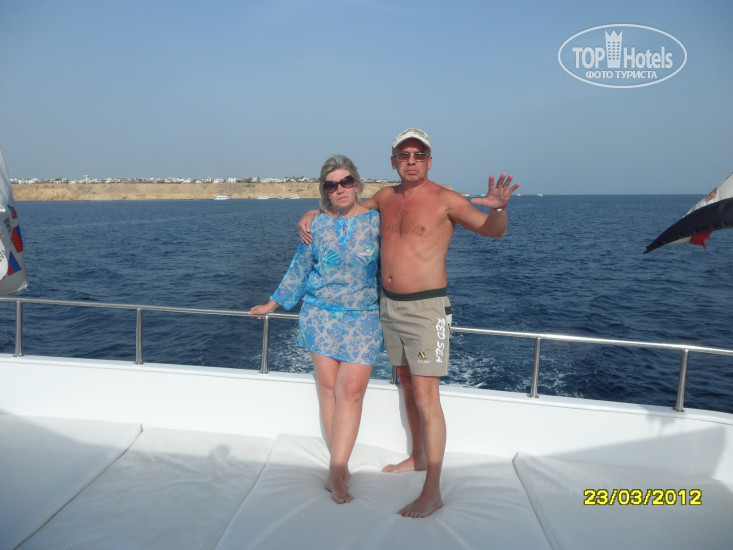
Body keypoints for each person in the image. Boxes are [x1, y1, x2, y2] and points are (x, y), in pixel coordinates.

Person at [299, 129, 519, 518]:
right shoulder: (385, 198)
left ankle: (432, 491)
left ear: (429, 161)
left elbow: (493, 230)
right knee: (405, 382)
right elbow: (346, 207)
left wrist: (499, 209)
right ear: (394, 162)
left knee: (426, 395)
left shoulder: (446, 199)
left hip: (426, 310)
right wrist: (313, 213)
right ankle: (417, 456)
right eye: (404, 155)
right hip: (389, 307)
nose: (412, 160)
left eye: (419, 154)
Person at [251, 155, 381, 505]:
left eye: (346, 181)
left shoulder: (377, 221)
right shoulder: (316, 225)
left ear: (357, 184)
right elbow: (300, 268)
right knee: (328, 391)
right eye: (331, 185)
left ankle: (337, 468)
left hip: (364, 318)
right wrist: (272, 304)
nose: (340, 189)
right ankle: (338, 470)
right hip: (320, 315)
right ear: (325, 191)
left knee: (351, 392)